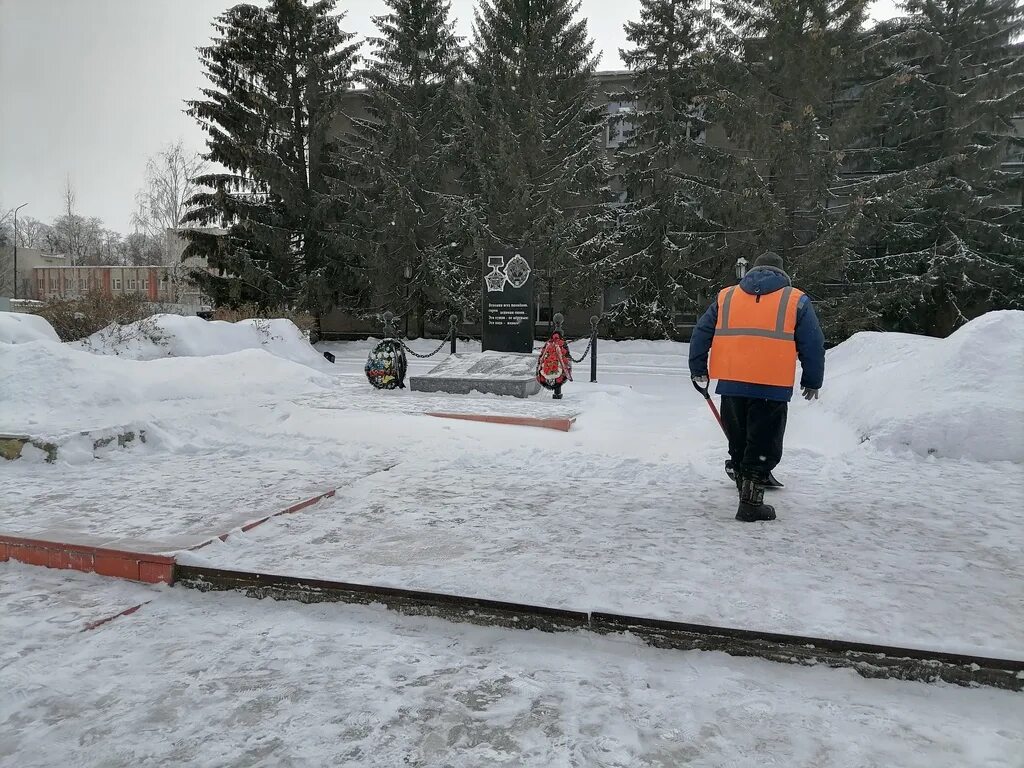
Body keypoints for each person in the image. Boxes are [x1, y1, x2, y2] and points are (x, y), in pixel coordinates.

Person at [688, 251, 825, 522]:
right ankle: (750, 503)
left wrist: (698, 368)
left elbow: (701, 332)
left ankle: (744, 486)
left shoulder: (726, 296)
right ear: (783, 274)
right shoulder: (794, 299)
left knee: (738, 440)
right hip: (770, 385)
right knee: (764, 442)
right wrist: (812, 379)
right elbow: (813, 343)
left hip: (731, 383)